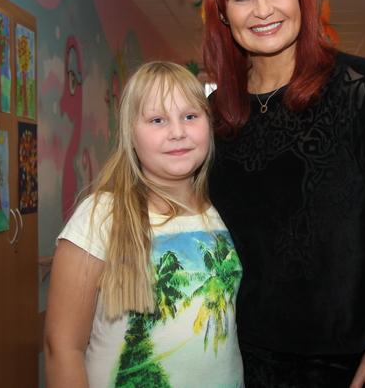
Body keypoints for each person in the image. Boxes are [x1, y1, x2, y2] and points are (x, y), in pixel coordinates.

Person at [202, 0, 365, 387]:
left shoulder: (356, 87)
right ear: (223, 13)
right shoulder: (217, 113)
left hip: (347, 361)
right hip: (239, 357)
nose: (262, 10)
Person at [44, 62, 243, 388]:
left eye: (190, 116)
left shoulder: (221, 211)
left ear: (209, 125)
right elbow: (62, 348)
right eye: (157, 120)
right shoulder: (101, 216)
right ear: (130, 134)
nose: (177, 132)